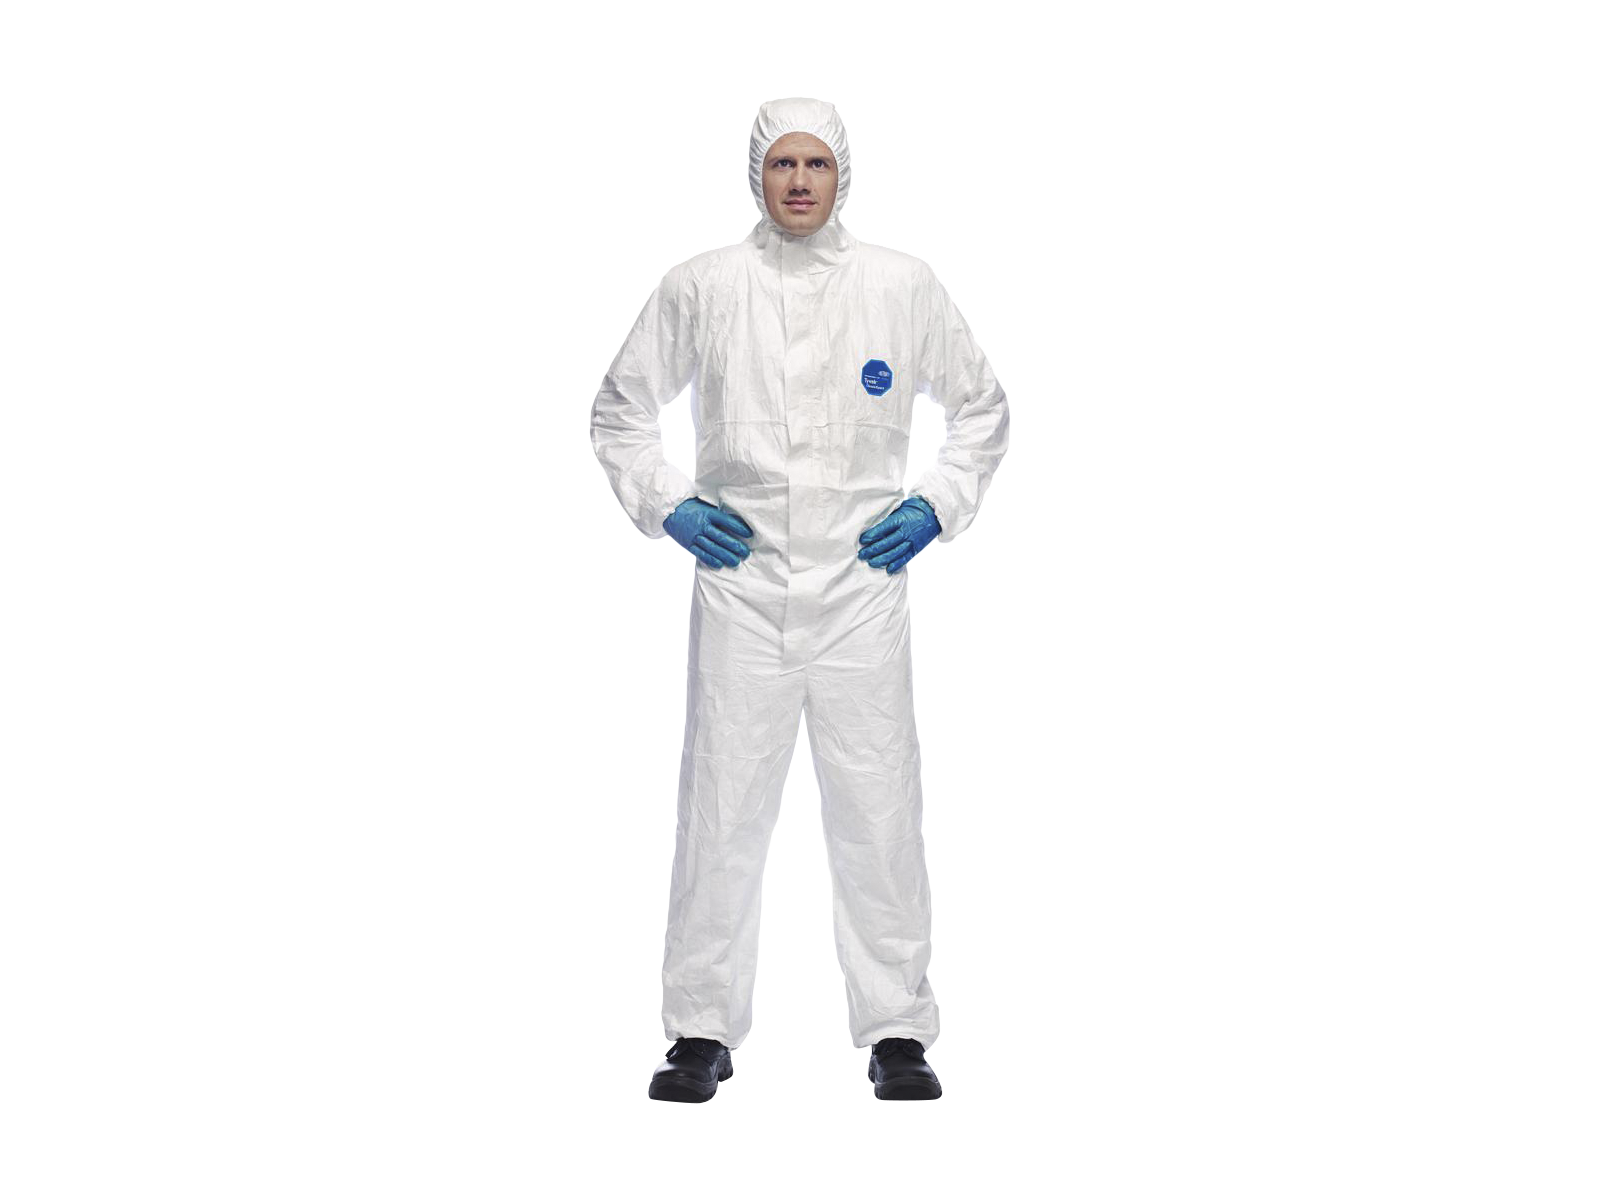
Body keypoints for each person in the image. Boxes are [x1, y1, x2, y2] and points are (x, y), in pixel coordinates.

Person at [589, 96, 1009, 1103]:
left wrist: (935, 505)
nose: (799, 182)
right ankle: (699, 1031)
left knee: (879, 804)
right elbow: (620, 411)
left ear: (844, 173)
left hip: (863, 587)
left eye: (817, 163)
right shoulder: (702, 286)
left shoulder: (901, 284)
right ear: (755, 174)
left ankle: (897, 1031)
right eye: (782, 164)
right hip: (741, 587)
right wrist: (671, 506)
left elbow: (981, 408)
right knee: (721, 806)